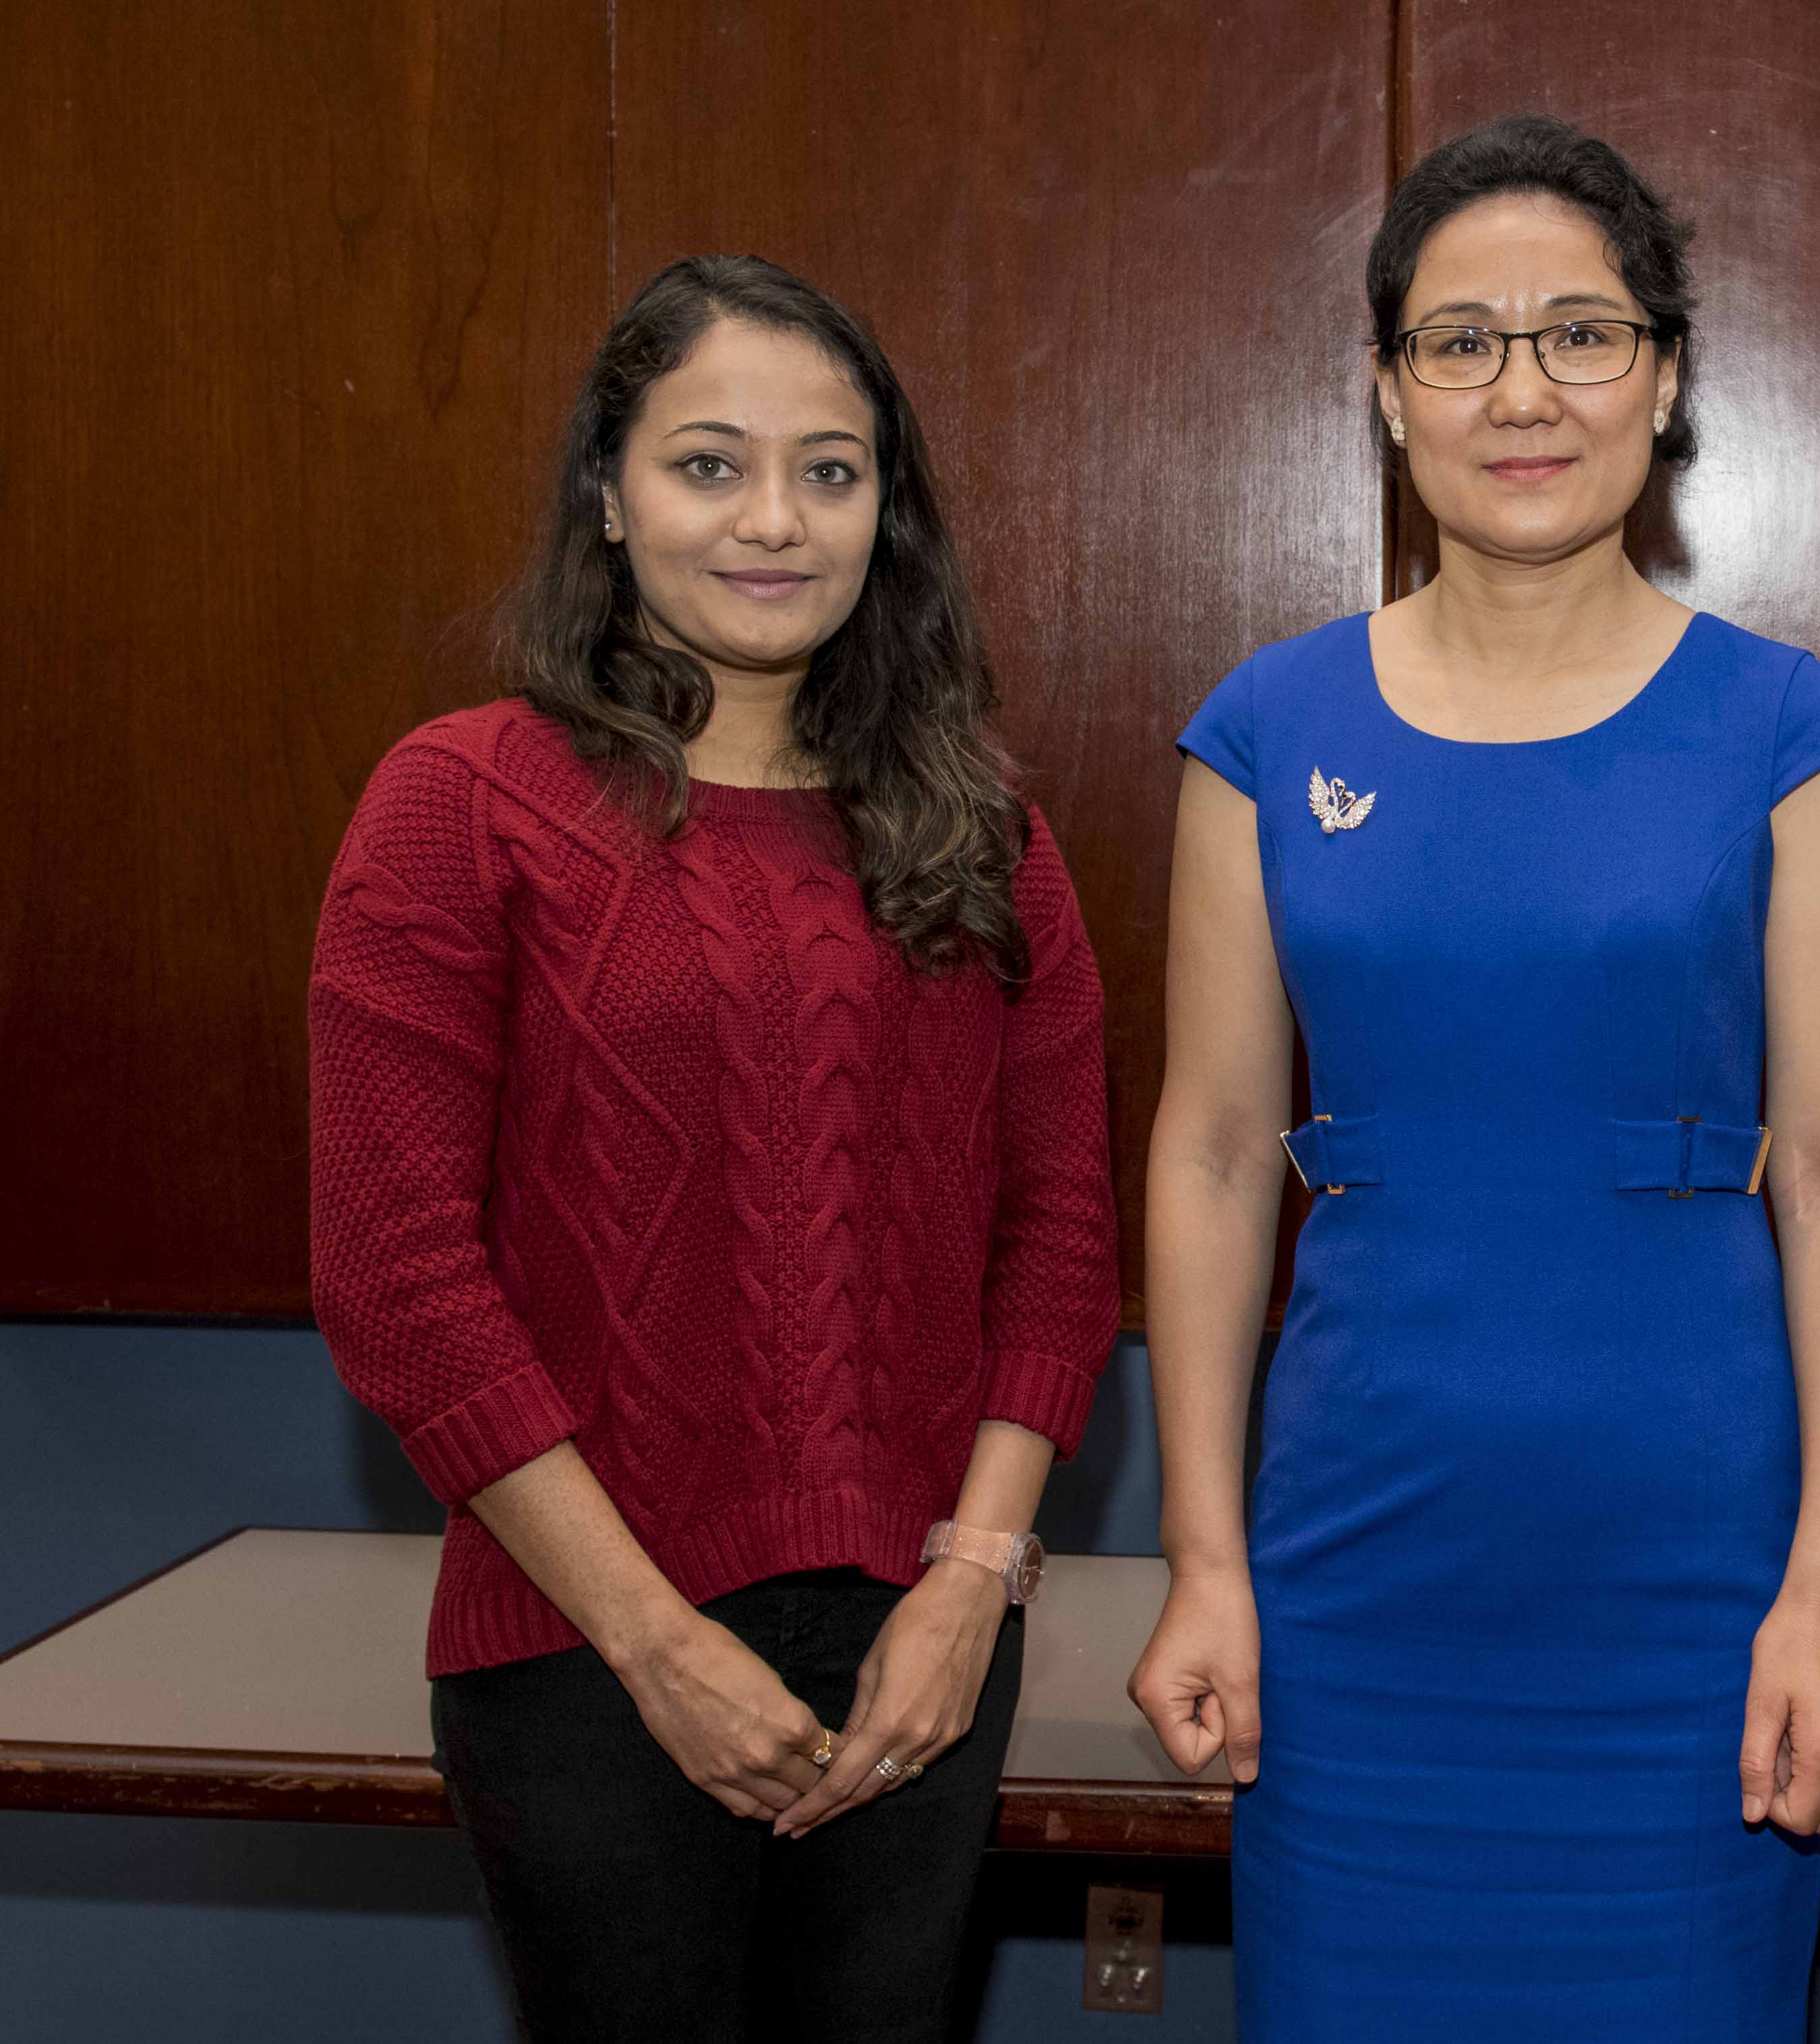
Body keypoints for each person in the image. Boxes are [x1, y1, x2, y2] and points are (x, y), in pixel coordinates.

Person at [1127, 114, 1820, 2038]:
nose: (1521, 388)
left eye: (1581, 332)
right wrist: (1199, 1562)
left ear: (1666, 376)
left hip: (1690, 1587)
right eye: (1458, 340)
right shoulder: (1260, 727)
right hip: (1351, 1579)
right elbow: (1216, 1154)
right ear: (1388, 394)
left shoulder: (1789, 727)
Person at [309, 254, 1119, 2043]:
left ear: (883, 513)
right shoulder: (459, 804)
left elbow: (1059, 1240)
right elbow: (400, 1278)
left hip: (926, 1648)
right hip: (586, 1653)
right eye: (708, 462)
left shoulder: (985, 834)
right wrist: (657, 1643)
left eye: (830, 470)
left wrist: (969, 1590)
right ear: (607, 491)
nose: (774, 519)